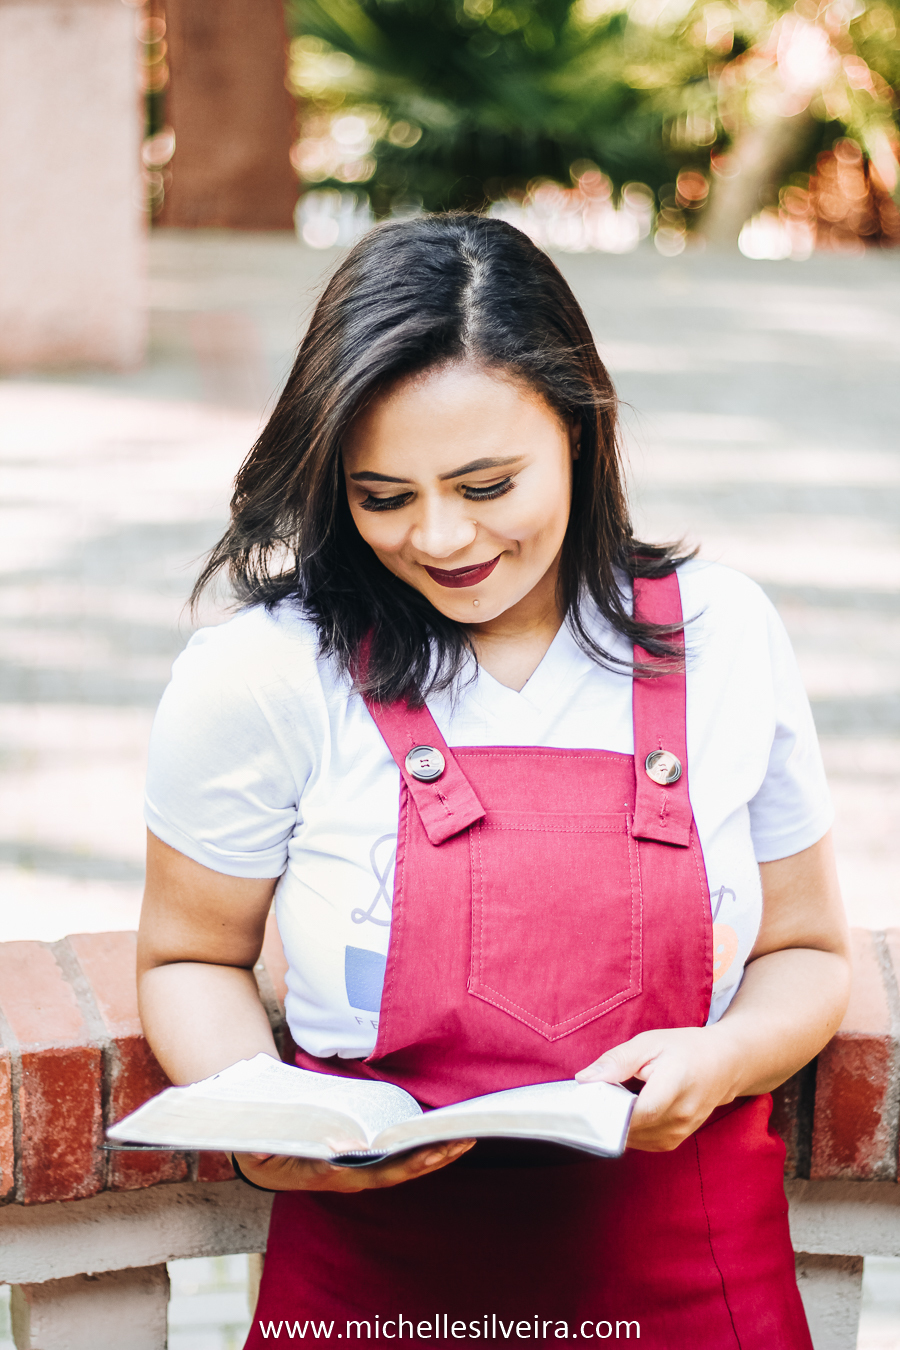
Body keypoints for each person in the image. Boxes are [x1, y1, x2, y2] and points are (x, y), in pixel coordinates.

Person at [137, 214, 851, 1348]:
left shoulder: (725, 634)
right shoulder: (262, 673)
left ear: (579, 426)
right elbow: (189, 954)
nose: (440, 537)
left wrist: (722, 1059)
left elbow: (808, 950)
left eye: (487, 483)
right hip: (369, 1294)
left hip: (694, 1281)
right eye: (383, 496)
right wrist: (258, 1108)